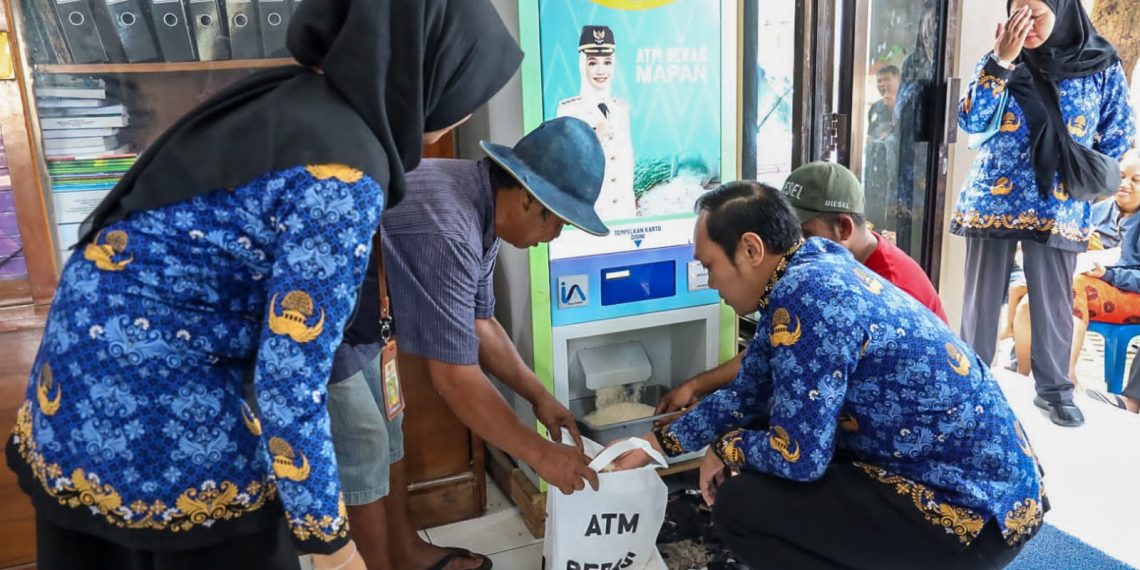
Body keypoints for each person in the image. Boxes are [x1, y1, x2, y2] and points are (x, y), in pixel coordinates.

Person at [4, 1, 523, 569]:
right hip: (159, 414)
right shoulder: (344, 170)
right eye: (459, 94)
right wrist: (332, 546)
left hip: (73, 387)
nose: (452, 120)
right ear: (426, 71)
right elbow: (290, 384)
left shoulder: (288, 97)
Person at [613, 182, 1044, 569]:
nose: (709, 282)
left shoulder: (809, 296)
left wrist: (727, 447)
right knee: (758, 445)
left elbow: (798, 457)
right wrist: (651, 445)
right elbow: (748, 392)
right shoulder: (810, 268)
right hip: (994, 494)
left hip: (968, 513)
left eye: (708, 265)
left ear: (750, 249)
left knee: (741, 504)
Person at [326, 117, 608, 570]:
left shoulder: (484, 210)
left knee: (389, 429)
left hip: (362, 322)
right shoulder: (450, 229)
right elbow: (455, 378)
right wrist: (539, 456)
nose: (554, 238)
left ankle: (403, 551)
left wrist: (539, 397)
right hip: (311, 316)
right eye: (558, 222)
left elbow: (480, 324)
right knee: (364, 442)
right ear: (526, 197)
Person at [953, 0, 1135, 427]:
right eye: (1018, 13)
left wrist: (1081, 178)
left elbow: (1119, 131)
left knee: (1053, 299)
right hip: (993, 200)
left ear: (1062, 10)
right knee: (980, 299)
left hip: (1059, 202)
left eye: (1036, 14)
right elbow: (969, 118)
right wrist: (1001, 61)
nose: (1027, 25)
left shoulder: (1102, 65)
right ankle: (969, 385)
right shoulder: (1000, 57)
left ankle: (1054, 390)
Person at [657, 161, 947, 415]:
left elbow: (806, 432)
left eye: (802, 234)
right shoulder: (812, 274)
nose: (785, 245)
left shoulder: (864, 283)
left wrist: (726, 443)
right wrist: (700, 395)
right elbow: (774, 349)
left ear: (844, 229)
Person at [557, 25, 636, 220]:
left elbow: (626, 167)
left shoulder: (621, 109)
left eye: (607, 62)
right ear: (582, 65)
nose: (601, 70)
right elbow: (564, 169)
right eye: (593, 63)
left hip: (624, 217)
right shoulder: (569, 110)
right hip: (589, 219)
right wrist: (593, 138)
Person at [864, 65, 901, 230]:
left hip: (896, 176)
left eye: (886, 79)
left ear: (898, 79)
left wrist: (894, 107)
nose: (882, 84)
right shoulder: (876, 107)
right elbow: (870, 137)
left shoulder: (904, 104)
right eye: (879, 81)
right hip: (876, 173)